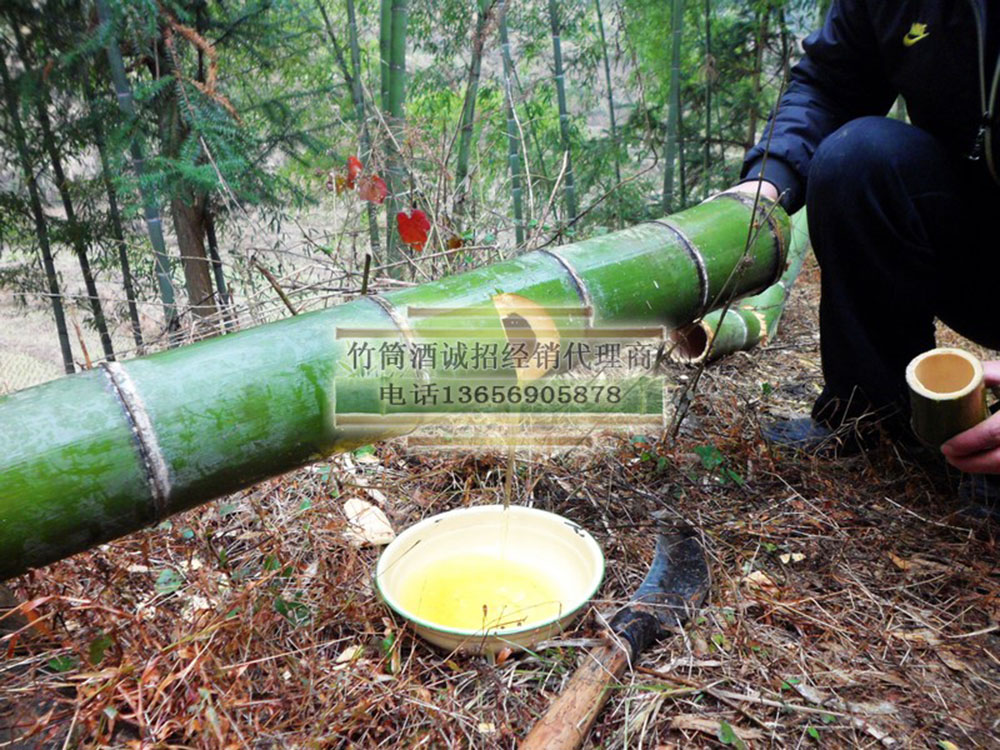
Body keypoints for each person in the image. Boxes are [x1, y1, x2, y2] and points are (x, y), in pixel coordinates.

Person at [728, 0, 1000, 508]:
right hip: (971, 246)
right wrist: (766, 181)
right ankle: (873, 421)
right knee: (858, 158)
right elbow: (831, 83)